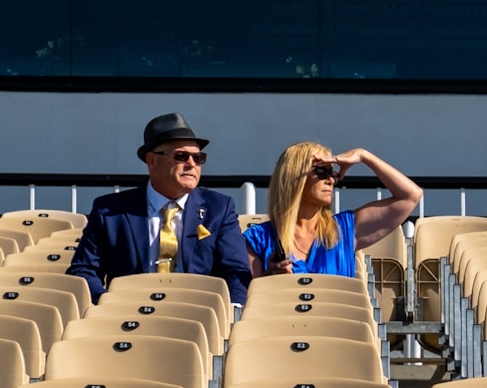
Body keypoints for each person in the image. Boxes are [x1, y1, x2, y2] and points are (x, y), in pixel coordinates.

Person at [69, 112, 252, 304]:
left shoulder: (219, 208)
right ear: (152, 160)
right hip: (129, 314)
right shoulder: (110, 211)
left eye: (198, 158)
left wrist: (231, 312)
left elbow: (236, 271)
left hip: (197, 316)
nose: (191, 164)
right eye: (181, 156)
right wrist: (109, 304)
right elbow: (83, 270)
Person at [242, 141, 421, 281]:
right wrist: (269, 280)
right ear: (293, 176)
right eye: (321, 171)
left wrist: (363, 155)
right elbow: (246, 301)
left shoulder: (344, 229)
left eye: (332, 173)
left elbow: (411, 196)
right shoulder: (258, 238)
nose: (331, 180)